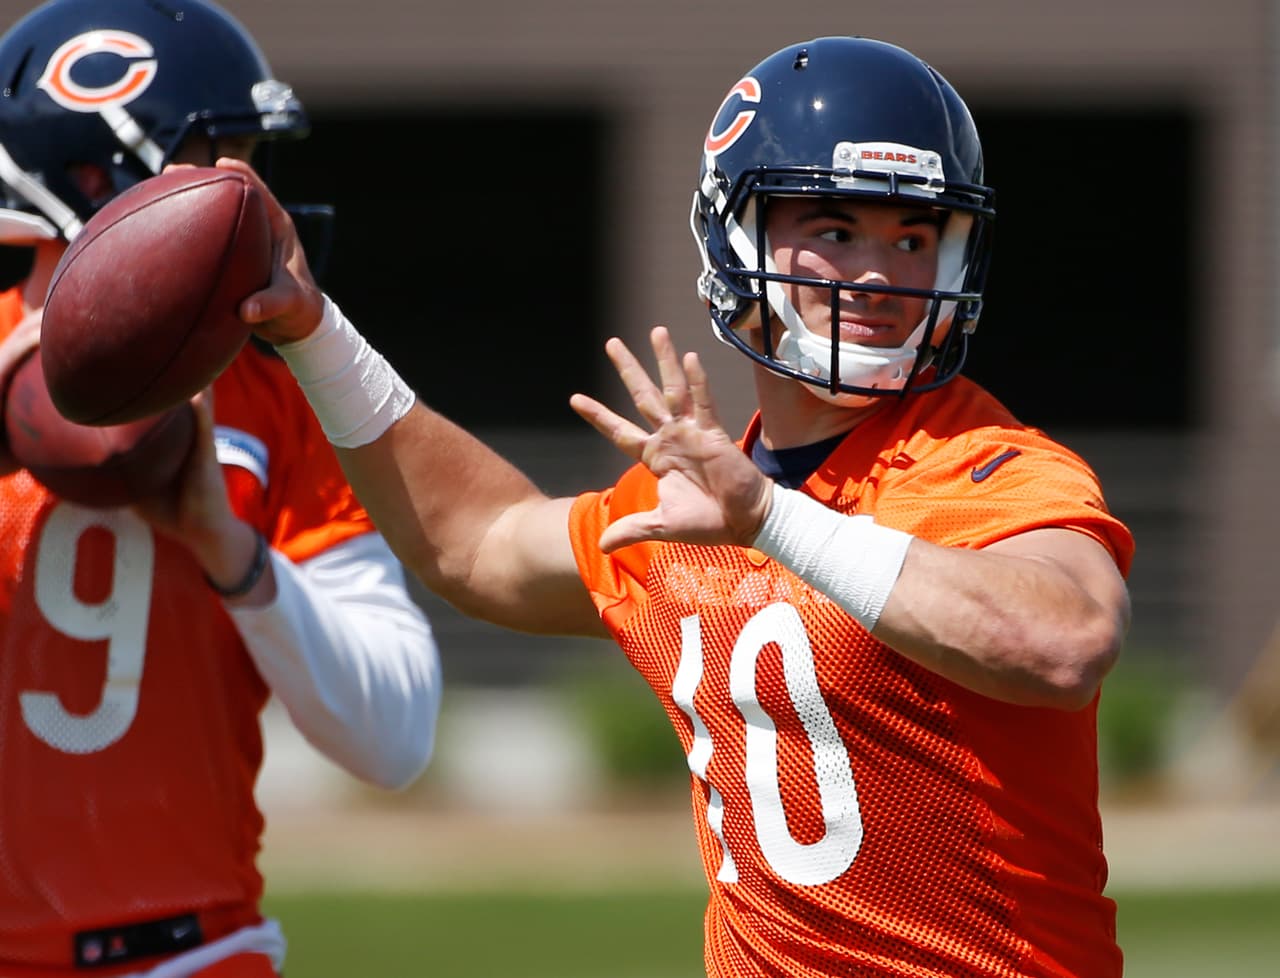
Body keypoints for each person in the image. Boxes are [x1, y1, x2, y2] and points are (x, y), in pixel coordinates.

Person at [238, 35, 1133, 978]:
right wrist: (313, 332)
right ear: (735, 240)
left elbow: (1064, 643)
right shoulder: (703, 501)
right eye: (834, 231)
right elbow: (479, 544)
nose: (878, 275)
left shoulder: (989, 466)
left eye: (913, 238)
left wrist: (773, 521)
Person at [0, 2, 441, 976]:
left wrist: (233, 554)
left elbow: (394, 737)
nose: (253, 201)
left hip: (197, 952)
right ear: (88, 174)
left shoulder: (271, 402)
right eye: (220, 160)